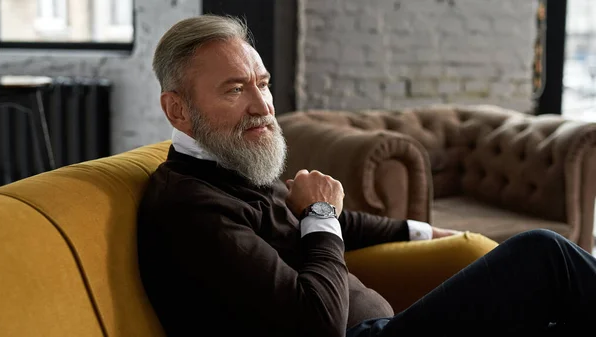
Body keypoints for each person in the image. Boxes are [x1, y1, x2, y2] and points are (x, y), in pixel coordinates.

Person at [137, 14, 596, 337]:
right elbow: (314, 322)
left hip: (386, 326)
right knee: (545, 255)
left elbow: (334, 224)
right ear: (178, 110)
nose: (262, 105)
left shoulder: (228, 164)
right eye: (235, 89)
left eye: (262, 82)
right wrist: (319, 213)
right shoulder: (190, 207)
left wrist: (427, 232)